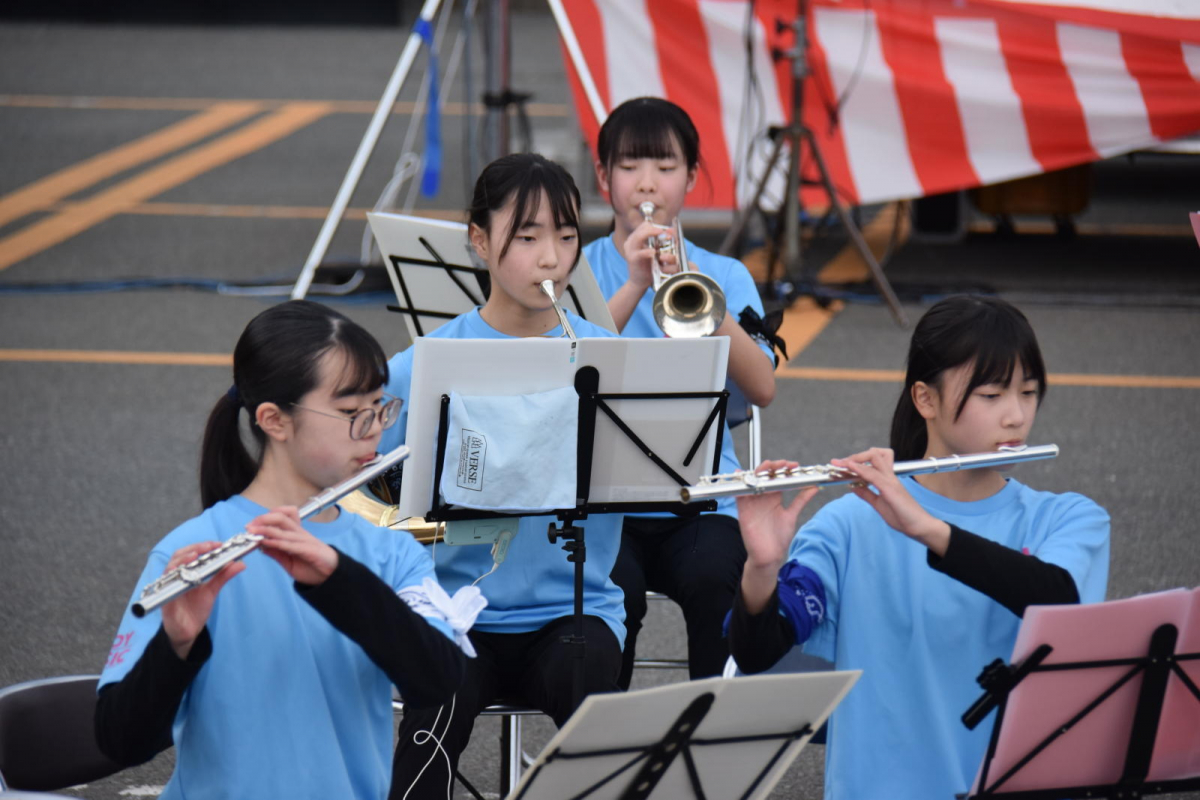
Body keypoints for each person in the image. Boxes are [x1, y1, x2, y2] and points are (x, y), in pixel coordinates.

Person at [727, 296, 1110, 800]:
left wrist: (927, 528)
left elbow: (1059, 597)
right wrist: (762, 567)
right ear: (925, 400)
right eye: (992, 395)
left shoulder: (1068, 519)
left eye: (1029, 392)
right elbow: (758, 651)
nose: (1016, 416)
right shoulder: (849, 524)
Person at [95, 300, 467, 800]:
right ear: (274, 420)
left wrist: (340, 580)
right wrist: (175, 645)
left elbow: (441, 681)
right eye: (351, 412)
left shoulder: (391, 554)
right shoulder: (190, 550)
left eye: (381, 406)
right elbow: (122, 741)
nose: (376, 428)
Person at [386, 153, 625, 800]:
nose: (551, 257)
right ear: (479, 241)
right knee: (430, 718)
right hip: (457, 618)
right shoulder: (423, 366)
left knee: (600, 705)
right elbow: (364, 491)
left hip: (574, 614)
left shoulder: (612, 365)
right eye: (527, 237)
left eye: (567, 236)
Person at [582, 96, 778, 687]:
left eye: (666, 167)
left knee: (714, 581)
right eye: (630, 166)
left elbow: (762, 388)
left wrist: (698, 294)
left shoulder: (728, 274)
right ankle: (607, 748)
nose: (648, 183)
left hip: (702, 497)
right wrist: (637, 283)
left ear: (692, 177)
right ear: (603, 177)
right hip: (602, 500)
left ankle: (708, 744)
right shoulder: (578, 270)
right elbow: (563, 373)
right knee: (610, 601)